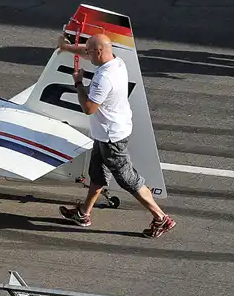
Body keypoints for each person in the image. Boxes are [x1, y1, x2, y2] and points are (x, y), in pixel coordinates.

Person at [56, 32, 176, 238]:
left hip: (112, 138)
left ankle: (161, 218)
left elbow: (89, 108)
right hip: (106, 134)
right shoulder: (116, 62)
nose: (86, 53)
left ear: (99, 52)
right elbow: (89, 52)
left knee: (128, 179)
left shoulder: (104, 78)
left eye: (89, 51)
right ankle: (84, 213)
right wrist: (67, 48)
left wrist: (78, 83)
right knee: (98, 174)